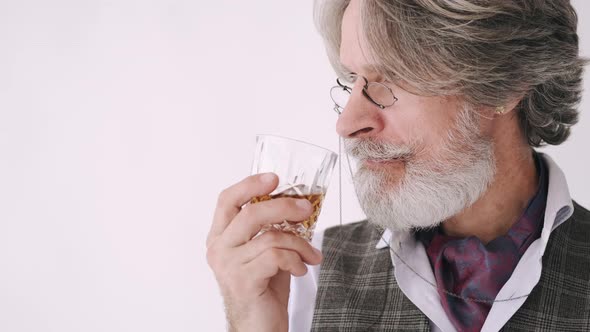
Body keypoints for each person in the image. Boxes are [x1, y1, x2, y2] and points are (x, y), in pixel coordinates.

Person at [206, 0, 590, 331]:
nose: (347, 123)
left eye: (391, 78)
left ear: (504, 86)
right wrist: (252, 322)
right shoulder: (304, 276)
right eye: (353, 79)